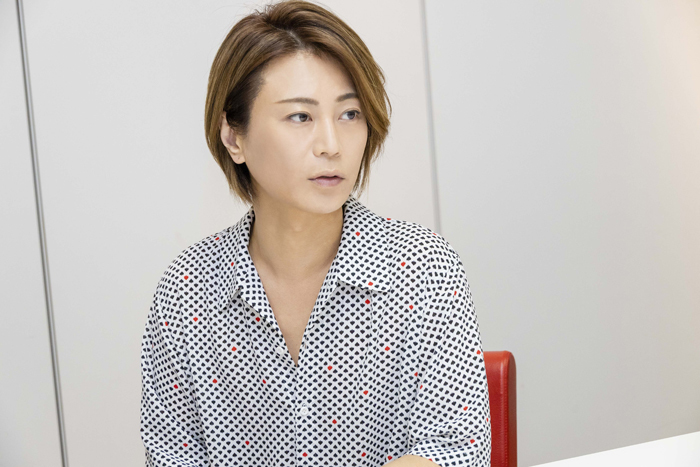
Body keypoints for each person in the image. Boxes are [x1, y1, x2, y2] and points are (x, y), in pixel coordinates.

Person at [139, 1, 491, 466]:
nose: (332, 145)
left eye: (350, 114)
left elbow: (456, 450)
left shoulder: (422, 267)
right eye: (300, 117)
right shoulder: (187, 292)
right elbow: (172, 456)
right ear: (234, 137)